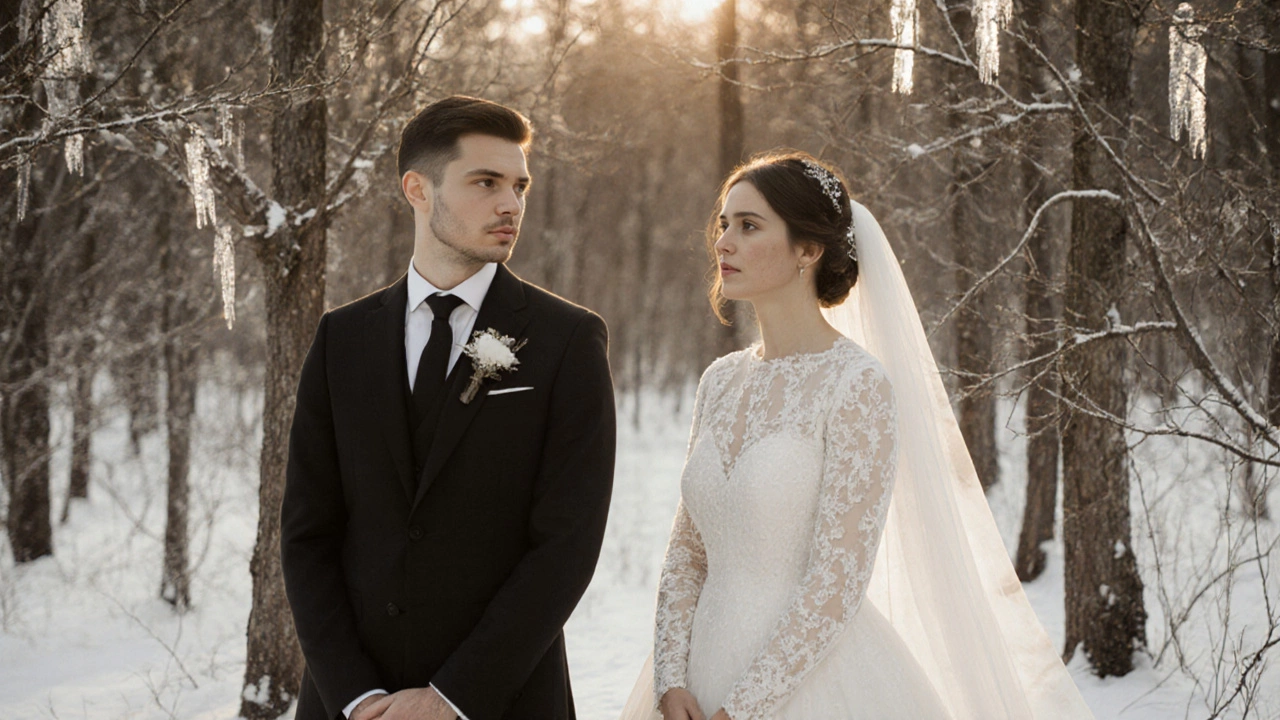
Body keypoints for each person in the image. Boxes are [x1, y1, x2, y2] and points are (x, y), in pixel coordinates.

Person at [618, 151, 1095, 720]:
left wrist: (739, 712)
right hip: (690, 685)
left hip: (806, 687)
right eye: (724, 225)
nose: (723, 243)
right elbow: (687, 552)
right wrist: (671, 681)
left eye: (748, 226)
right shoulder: (719, 380)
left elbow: (835, 582)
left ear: (808, 249)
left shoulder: (857, 384)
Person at [280, 95, 616, 720]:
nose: (511, 204)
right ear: (418, 188)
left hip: (503, 698)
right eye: (485, 182)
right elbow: (307, 534)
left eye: (519, 185)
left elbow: (567, 545)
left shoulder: (566, 338)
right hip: (351, 701)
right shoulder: (341, 339)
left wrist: (453, 697)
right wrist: (353, 695)